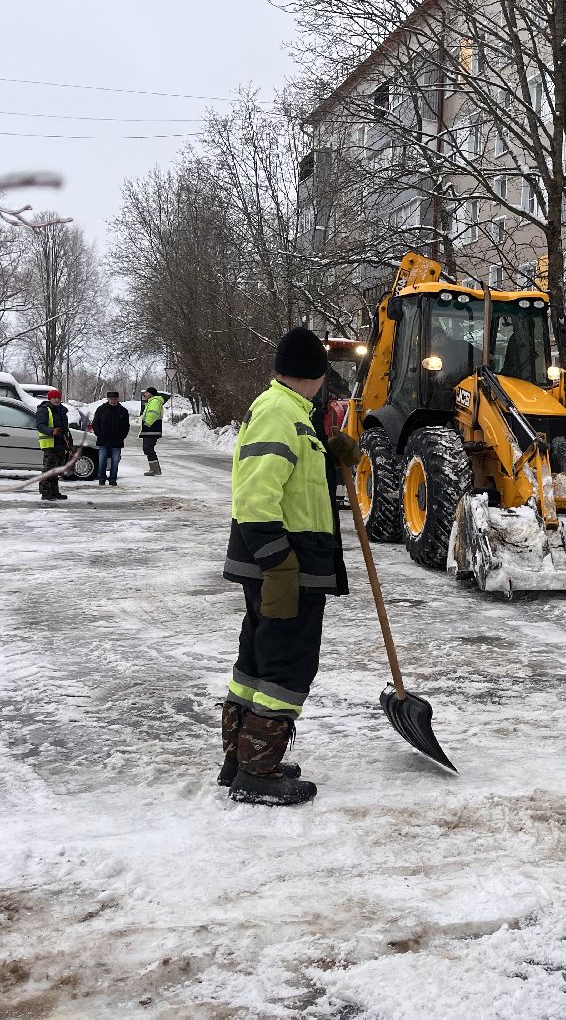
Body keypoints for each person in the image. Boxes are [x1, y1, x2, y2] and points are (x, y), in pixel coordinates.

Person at [219, 327, 360, 807]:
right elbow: (255, 494)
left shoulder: (291, 412)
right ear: (316, 374)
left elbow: (294, 482)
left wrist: (330, 456)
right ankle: (257, 772)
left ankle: (242, 758)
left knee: (258, 659)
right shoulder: (280, 412)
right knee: (288, 663)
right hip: (284, 564)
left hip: (285, 561)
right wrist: (277, 559)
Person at [35, 389, 71, 502]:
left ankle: (55, 492)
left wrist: (69, 444)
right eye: (54, 398)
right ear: (49, 399)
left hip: (60, 444)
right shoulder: (44, 410)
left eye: (58, 398)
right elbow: (40, 426)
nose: (56, 400)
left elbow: (66, 430)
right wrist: (52, 431)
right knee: (48, 469)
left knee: (56, 470)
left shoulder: (62, 411)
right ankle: (45, 492)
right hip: (50, 444)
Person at [92, 390, 131, 486]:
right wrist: (99, 435)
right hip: (103, 441)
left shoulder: (123, 411)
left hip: (117, 441)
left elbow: (126, 426)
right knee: (102, 461)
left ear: (118, 399)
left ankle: (113, 479)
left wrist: (122, 436)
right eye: (111, 399)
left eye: (115, 399)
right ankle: (102, 479)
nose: (113, 401)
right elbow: (95, 424)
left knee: (115, 462)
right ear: (108, 399)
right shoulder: (101, 409)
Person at [139, 387, 165, 476]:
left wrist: (147, 424)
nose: (144, 394)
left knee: (148, 448)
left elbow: (153, 413)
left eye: (146, 392)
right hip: (152, 429)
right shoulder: (152, 401)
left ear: (151, 393)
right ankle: (154, 468)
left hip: (152, 429)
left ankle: (155, 469)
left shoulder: (154, 401)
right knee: (148, 448)